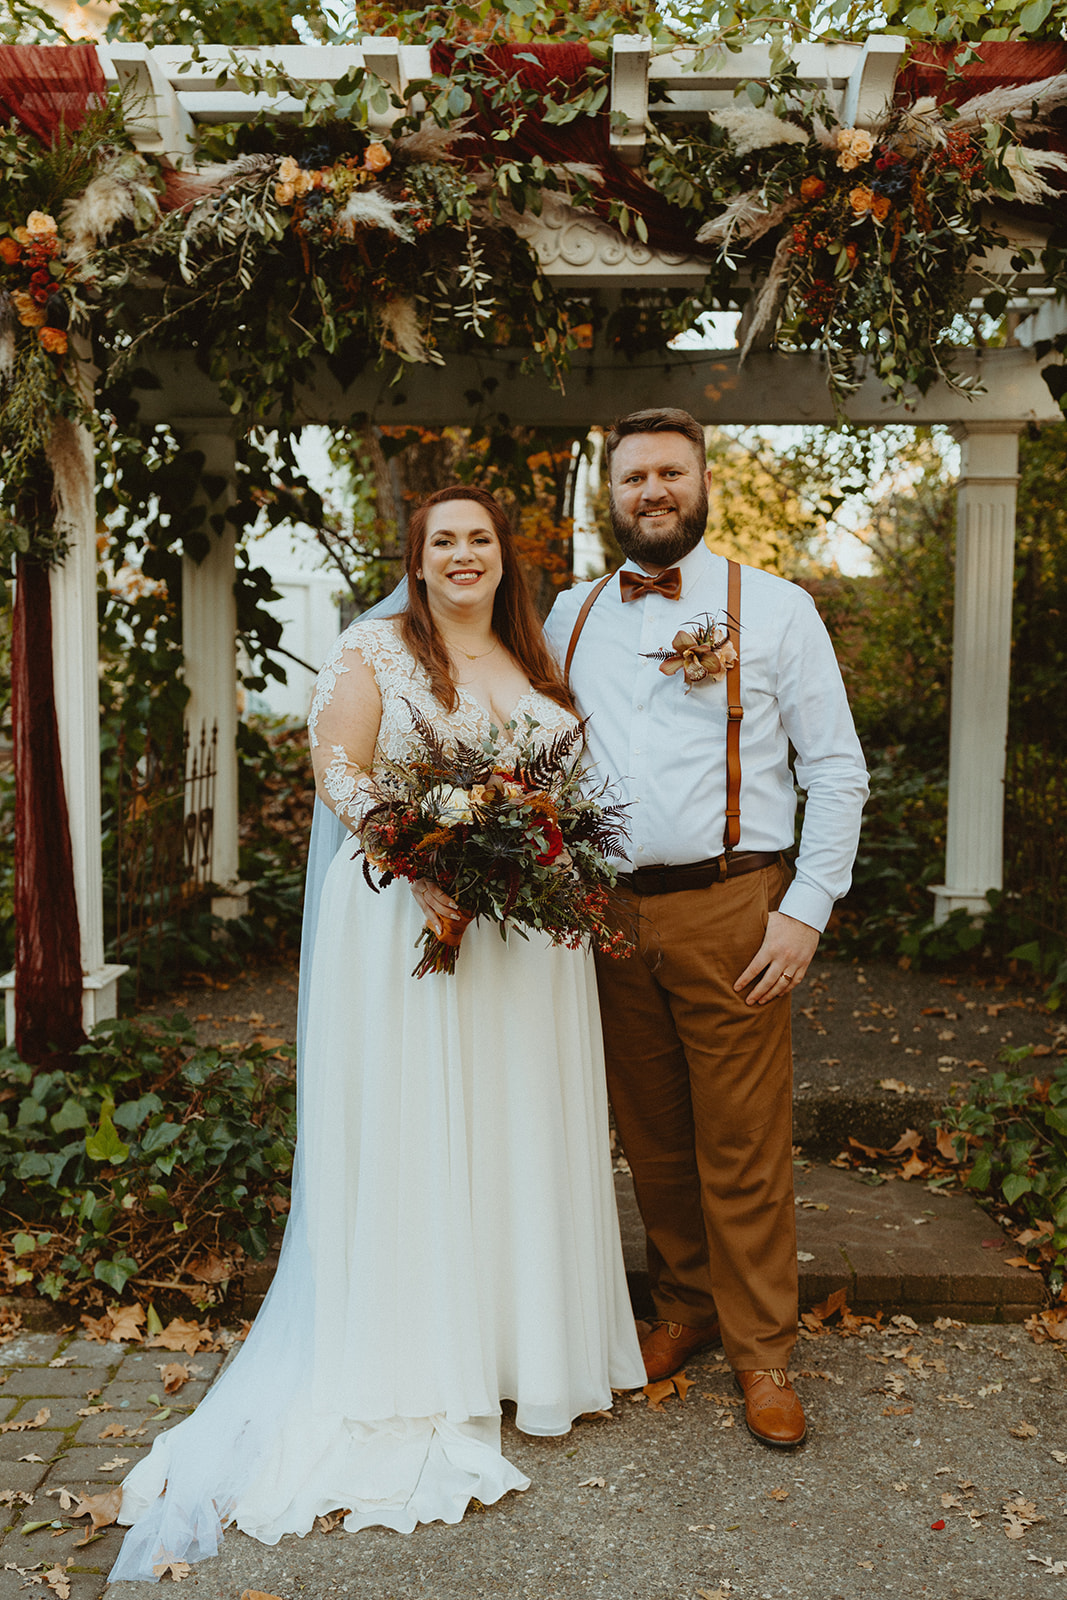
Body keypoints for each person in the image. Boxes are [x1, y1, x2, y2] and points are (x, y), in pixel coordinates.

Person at [110, 486, 644, 1581]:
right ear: (414, 557)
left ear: (506, 557)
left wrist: (537, 857)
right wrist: (420, 864)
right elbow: (339, 772)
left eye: (479, 539)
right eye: (441, 540)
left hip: (527, 950)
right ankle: (417, 1354)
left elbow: (562, 790)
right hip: (415, 927)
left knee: (513, 1129)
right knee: (423, 1133)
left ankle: (517, 1343)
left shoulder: (533, 663)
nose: (461, 555)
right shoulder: (373, 652)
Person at [544, 409, 868, 1451]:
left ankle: (762, 1351)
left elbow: (835, 770)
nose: (652, 489)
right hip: (607, 912)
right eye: (633, 474)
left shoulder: (775, 611)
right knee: (651, 1135)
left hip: (735, 904)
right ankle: (679, 1306)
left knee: (740, 1140)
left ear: (701, 482)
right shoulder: (565, 616)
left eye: (669, 472)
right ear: (610, 491)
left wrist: (803, 911)